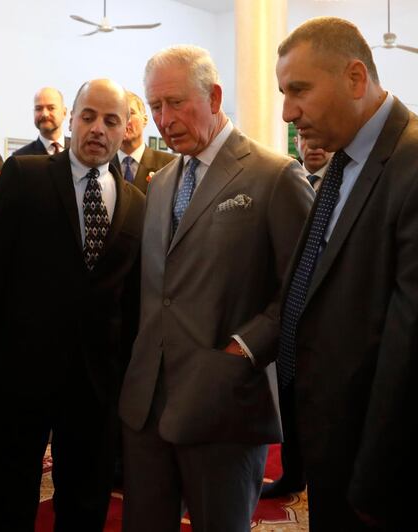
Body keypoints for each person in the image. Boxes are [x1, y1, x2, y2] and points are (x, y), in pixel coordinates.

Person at [119, 45, 313, 531]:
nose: (164, 119)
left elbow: (305, 286)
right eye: (155, 106)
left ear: (215, 95)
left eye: (176, 103)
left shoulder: (274, 175)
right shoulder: (161, 182)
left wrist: (243, 350)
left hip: (224, 404)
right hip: (147, 405)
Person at [0, 79, 145, 531]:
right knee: (10, 490)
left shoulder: (138, 203)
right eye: (89, 116)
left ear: (126, 130)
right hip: (23, 369)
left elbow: (131, 296)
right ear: (72, 119)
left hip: (96, 381)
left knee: (86, 494)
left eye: (111, 120)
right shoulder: (27, 176)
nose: (98, 128)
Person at [276, 16, 418, 530]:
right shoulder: (342, 161)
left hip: (378, 469)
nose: (288, 112)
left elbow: (409, 348)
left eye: (298, 91)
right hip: (329, 445)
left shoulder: (412, 161)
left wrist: (377, 483)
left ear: (356, 78)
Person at [262, 129, 331, 501]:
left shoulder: (342, 185)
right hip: (289, 317)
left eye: (319, 139)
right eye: (305, 139)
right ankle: (293, 473)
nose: (313, 145)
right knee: (289, 397)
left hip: (327, 322)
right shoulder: (288, 181)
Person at [111, 90, 176, 193]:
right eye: (118, 114)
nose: (125, 120)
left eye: (131, 113)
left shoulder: (170, 165)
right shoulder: (102, 164)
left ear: (145, 119)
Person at [13, 86, 70, 156]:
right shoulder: (20, 158)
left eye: (51, 108)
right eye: (38, 109)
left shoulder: (79, 151)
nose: (44, 114)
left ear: (64, 113)